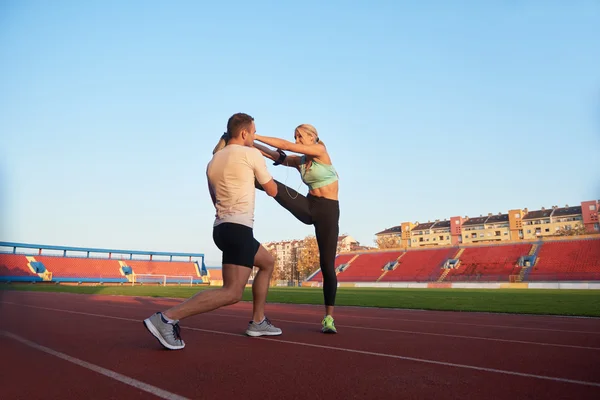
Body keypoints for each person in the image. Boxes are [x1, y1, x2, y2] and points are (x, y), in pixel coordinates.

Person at [143, 113, 283, 350]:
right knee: (232, 293)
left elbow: (214, 198)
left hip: (222, 228)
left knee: (267, 262)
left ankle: (258, 321)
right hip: (238, 228)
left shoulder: (214, 160)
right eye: (254, 132)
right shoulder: (251, 154)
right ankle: (166, 318)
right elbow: (271, 189)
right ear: (244, 133)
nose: (255, 136)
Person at [252, 124, 340, 334]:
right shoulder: (301, 162)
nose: (297, 140)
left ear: (313, 137)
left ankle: (328, 317)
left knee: (327, 265)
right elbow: (277, 155)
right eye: (295, 137)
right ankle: (255, 181)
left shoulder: (321, 152)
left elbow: (284, 146)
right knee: (277, 189)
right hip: (310, 207)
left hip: (328, 211)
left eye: (300, 137)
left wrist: (256, 135)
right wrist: (248, 142)